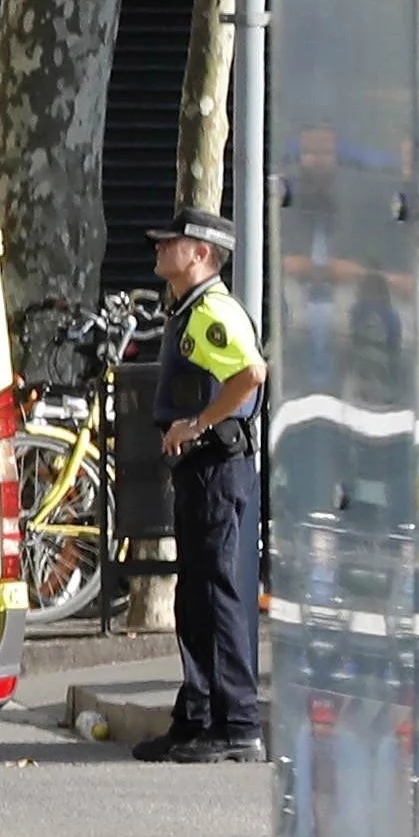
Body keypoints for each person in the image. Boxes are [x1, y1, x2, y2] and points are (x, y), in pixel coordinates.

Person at [137, 214, 265, 765]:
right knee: (195, 597)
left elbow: (252, 373)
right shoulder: (189, 309)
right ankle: (197, 716)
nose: (161, 247)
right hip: (202, 472)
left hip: (218, 468)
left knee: (217, 595)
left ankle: (235, 724)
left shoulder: (212, 312)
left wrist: (201, 423)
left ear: (201, 255)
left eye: (172, 242)